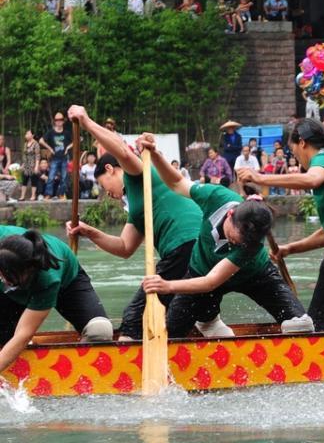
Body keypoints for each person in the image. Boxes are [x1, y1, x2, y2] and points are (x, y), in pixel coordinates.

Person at [65, 107, 225, 340]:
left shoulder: (137, 173)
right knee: (204, 317)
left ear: (110, 169)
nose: (106, 193)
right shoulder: (138, 205)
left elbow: (120, 149)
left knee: (135, 317)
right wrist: (89, 231)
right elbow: (124, 247)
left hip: (186, 244)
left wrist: (86, 121)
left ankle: (125, 366)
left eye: (103, 184)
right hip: (200, 247)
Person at [137, 134, 312, 338]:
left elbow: (212, 281)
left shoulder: (252, 243)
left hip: (254, 275)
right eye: (234, 238)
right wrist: (156, 154)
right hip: (201, 270)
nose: (235, 243)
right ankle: (209, 322)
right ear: (230, 214)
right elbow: (176, 182)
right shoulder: (217, 197)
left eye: (241, 243)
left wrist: (167, 285)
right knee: (173, 332)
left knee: (301, 325)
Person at [237, 118, 324, 332]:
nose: (294, 155)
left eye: (292, 150)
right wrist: (289, 249)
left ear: (302, 142)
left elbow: (312, 179)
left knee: (320, 324)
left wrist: (261, 178)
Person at [0, 227, 113, 385]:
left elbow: (23, 334)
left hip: (67, 283)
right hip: (11, 290)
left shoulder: (47, 278)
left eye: (6, 276)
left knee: (100, 330)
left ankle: (79, 379)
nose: (2, 279)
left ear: (28, 271)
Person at [39, 112, 72, 199]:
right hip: (54, 158)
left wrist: (68, 148)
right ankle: (48, 194)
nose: (59, 122)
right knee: (51, 177)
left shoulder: (66, 133)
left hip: (64, 158)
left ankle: (61, 194)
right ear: (54, 121)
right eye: (57, 120)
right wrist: (50, 149)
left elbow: (77, 140)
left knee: (64, 178)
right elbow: (41, 140)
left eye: (60, 120)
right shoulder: (51, 132)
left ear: (63, 121)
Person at [19, 130, 40, 201]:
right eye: (26, 133)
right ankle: (22, 196)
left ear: (32, 135)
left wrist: (36, 166)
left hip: (33, 164)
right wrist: (23, 164)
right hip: (26, 165)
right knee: (24, 180)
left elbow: (37, 156)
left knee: (33, 180)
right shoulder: (25, 144)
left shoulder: (36, 144)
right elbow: (24, 155)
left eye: (28, 133)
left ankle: (33, 196)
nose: (26, 135)